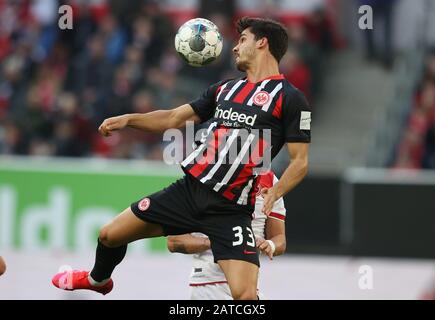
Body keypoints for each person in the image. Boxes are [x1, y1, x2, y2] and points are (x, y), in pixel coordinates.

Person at [51, 17, 311, 300]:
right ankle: (97, 280)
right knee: (108, 235)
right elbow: (174, 117)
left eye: (242, 40)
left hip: (230, 209)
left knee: (245, 297)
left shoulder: (291, 99)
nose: (235, 48)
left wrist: (276, 191)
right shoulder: (225, 89)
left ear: (262, 42)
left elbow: (300, 162)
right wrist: (128, 119)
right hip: (188, 192)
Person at [167, 170, 287, 300]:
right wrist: (219, 241)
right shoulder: (201, 174)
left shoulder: (270, 180)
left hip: (249, 286)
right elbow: (174, 241)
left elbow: (279, 238)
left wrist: (270, 245)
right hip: (208, 284)